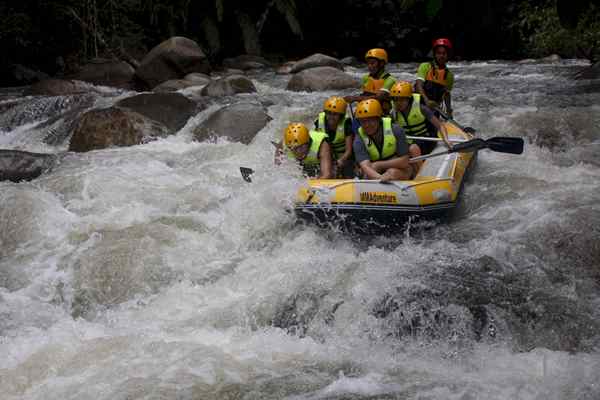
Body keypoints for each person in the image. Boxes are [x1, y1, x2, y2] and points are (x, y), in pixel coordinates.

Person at [352, 99, 413, 181]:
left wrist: (379, 165)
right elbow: (365, 166)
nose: (366, 125)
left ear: (378, 119)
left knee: (392, 172)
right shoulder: (359, 138)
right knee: (368, 173)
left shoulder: (396, 129)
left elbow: (405, 161)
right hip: (376, 172)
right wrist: (380, 178)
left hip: (398, 167)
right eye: (363, 121)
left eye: (370, 120)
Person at [390, 80, 451, 160]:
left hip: (426, 140)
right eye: (395, 99)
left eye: (401, 99)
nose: (398, 103)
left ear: (409, 99)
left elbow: (440, 126)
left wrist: (446, 139)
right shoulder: (393, 113)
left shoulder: (421, 108)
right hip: (408, 141)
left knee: (412, 149)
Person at [344, 48, 396, 117]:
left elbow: (379, 97)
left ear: (382, 63)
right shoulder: (366, 78)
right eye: (368, 63)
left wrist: (355, 98)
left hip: (382, 115)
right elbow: (364, 95)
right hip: (366, 111)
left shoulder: (390, 80)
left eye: (372, 63)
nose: (369, 66)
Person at [314, 96, 355, 178]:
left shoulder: (346, 124)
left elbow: (349, 151)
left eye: (335, 114)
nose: (331, 117)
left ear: (341, 115)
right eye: (329, 113)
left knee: (346, 170)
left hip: (344, 156)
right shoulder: (319, 121)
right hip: (327, 154)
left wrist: (341, 160)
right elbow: (317, 142)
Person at [415, 38, 454, 117]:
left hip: (434, 108)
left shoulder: (449, 75)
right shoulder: (425, 66)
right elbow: (419, 85)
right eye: (438, 53)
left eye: (444, 53)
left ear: (448, 55)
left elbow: (446, 94)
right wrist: (426, 100)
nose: (441, 56)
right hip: (419, 105)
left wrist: (449, 110)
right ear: (435, 54)